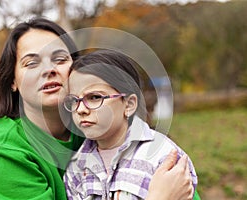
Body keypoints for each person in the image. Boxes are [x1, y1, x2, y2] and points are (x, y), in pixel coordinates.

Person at [0, 17, 199, 200]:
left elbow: (184, 190)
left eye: (60, 59)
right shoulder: (2, 155)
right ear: (12, 80)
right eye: (31, 63)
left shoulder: (100, 129)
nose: (49, 69)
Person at [63, 49, 198, 199]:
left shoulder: (162, 156)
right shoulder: (76, 169)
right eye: (74, 100)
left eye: (94, 97)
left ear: (129, 104)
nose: (81, 109)